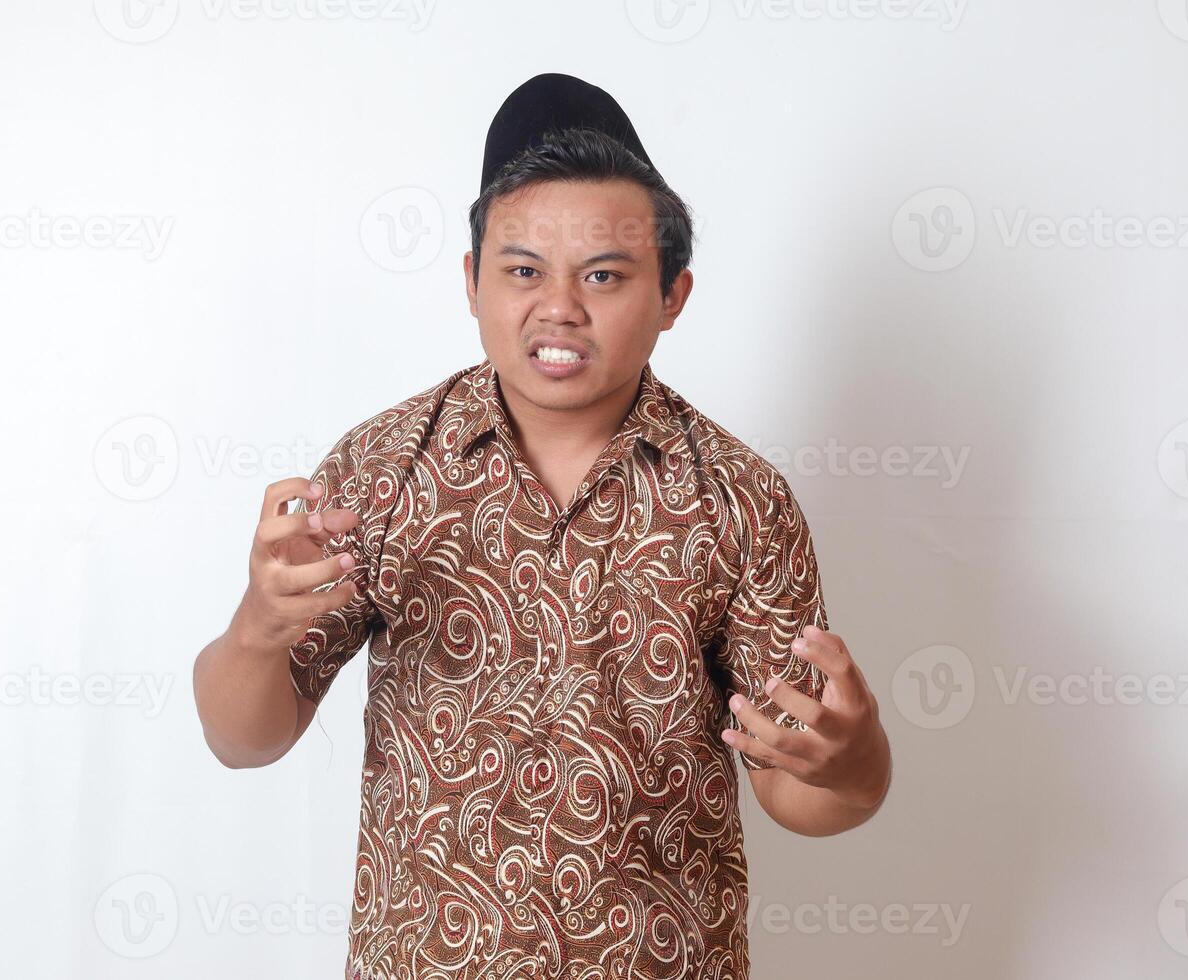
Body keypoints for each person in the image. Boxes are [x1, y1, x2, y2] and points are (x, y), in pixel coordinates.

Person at [193, 72, 892, 980]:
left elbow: (798, 785)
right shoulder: (382, 474)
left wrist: (853, 762)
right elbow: (242, 739)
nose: (559, 307)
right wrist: (258, 628)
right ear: (472, 282)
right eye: (523, 270)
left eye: (603, 275)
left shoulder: (738, 500)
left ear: (673, 295)